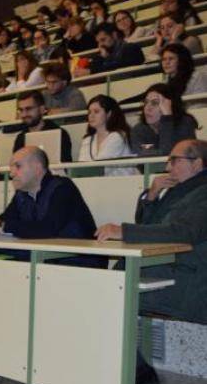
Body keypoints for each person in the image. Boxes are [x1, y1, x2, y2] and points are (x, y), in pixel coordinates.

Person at [95, 139, 207, 323]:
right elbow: (147, 224)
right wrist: (152, 195)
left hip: (187, 275)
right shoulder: (178, 188)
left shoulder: (202, 192)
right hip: (168, 265)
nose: (168, 167)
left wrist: (124, 231)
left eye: (174, 160)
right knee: (109, 282)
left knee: (112, 287)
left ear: (197, 163)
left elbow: (184, 232)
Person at [0, 147, 104, 267]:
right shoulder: (22, 193)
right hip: (48, 257)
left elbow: (48, 228)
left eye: (18, 166)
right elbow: (8, 218)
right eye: (11, 168)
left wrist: (0, 225)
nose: (12, 173)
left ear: (37, 168)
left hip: (81, 259)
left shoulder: (62, 187)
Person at [130, 83, 199, 155]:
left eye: (155, 103)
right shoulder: (138, 130)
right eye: (146, 102)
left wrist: (167, 118)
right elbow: (145, 156)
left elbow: (168, 153)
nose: (147, 108)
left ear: (169, 106)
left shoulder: (185, 124)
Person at [79, 95, 137, 176]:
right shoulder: (87, 139)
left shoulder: (117, 136)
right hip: (94, 181)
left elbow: (102, 168)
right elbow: (80, 168)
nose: (91, 116)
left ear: (109, 114)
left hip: (120, 182)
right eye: (89, 112)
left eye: (96, 112)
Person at [12, 90, 73, 162]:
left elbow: (66, 165)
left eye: (29, 109)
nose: (24, 114)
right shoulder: (20, 138)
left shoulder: (60, 134)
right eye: (21, 110)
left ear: (42, 109)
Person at [76, 23, 145, 76]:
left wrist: (91, 71)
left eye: (103, 40)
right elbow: (91, 68)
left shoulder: (131, 48)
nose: (100, 45)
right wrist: (101, 57)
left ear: (114, 35)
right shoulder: (105, 54)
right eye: (98, 42)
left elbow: (118, 66)